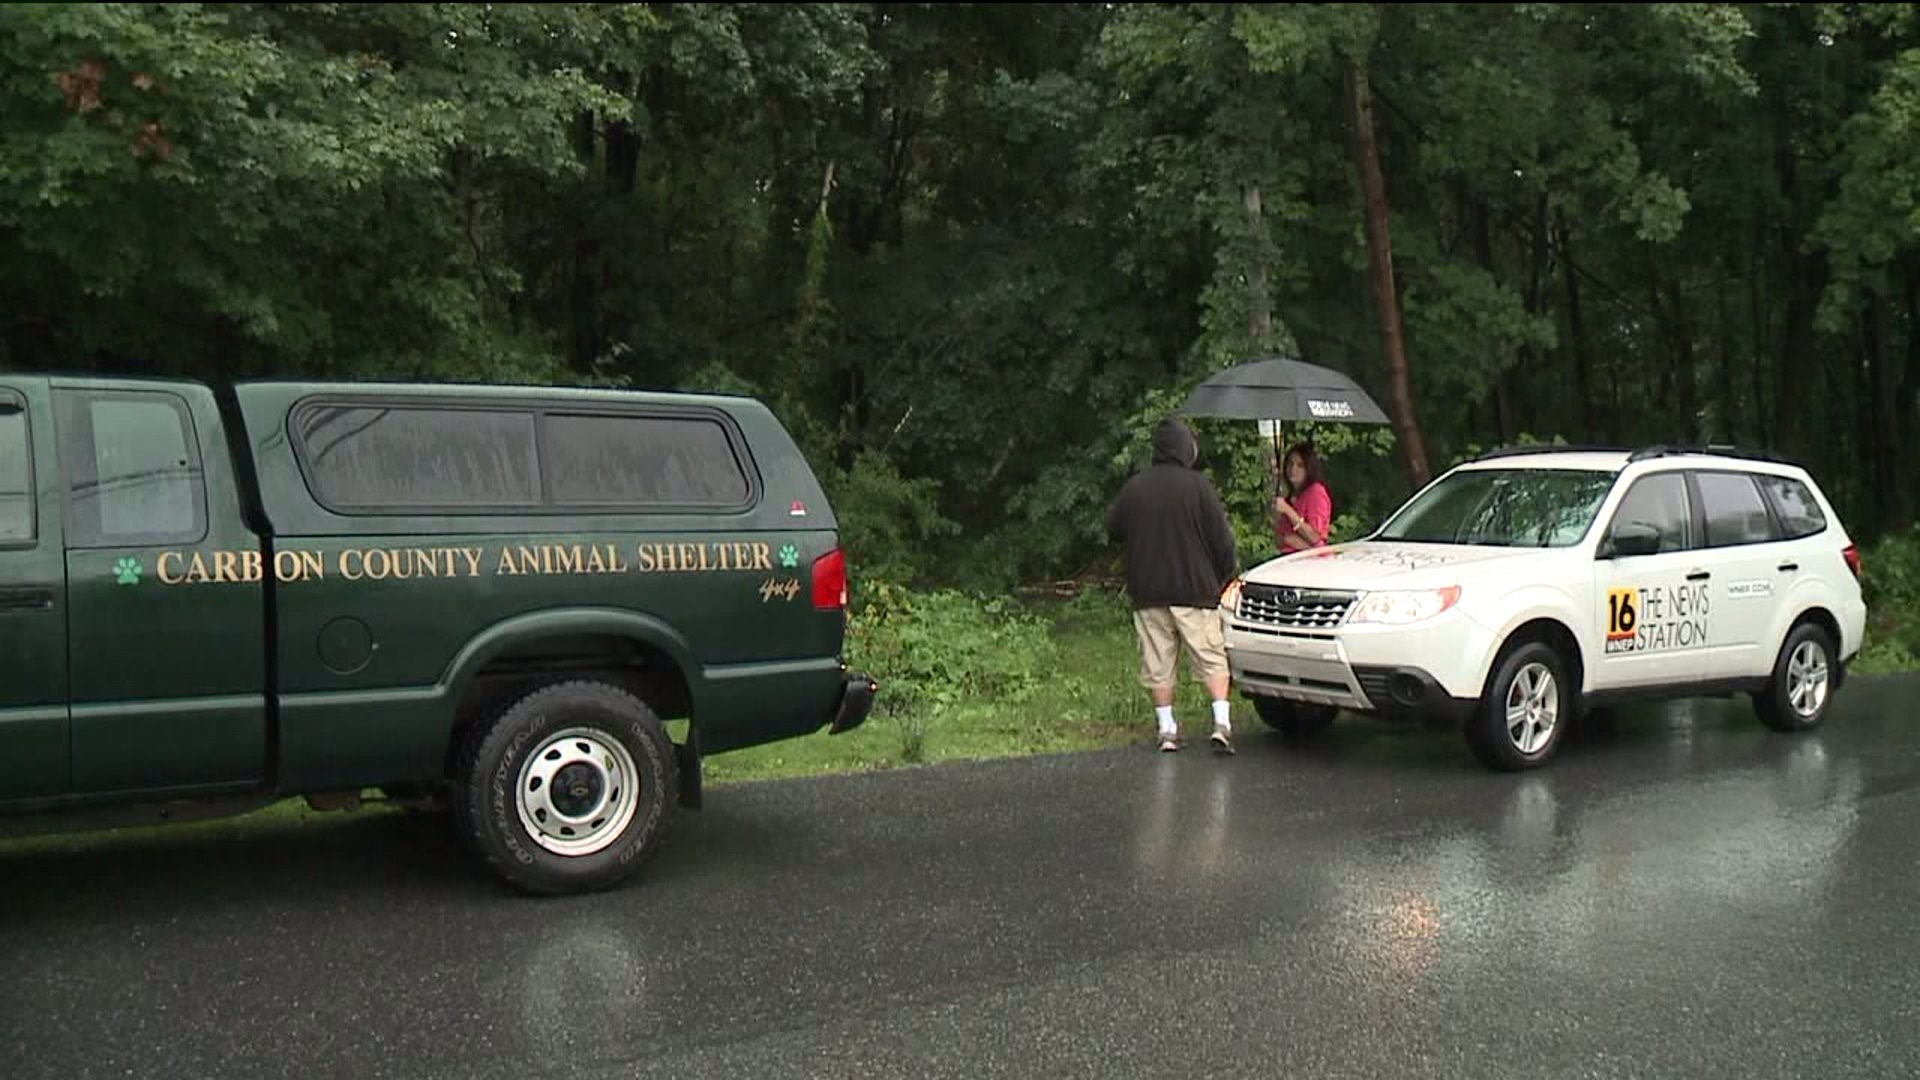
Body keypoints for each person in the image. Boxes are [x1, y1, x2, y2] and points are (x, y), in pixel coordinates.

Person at [1104, 417, 1240, 754]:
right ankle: (1221, 723)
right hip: (1195, 589)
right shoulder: (1199, 486)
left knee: (1158, 661)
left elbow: (1113, 529)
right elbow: (1221, 539)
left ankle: (1167, 729)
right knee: (1210, 656)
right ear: (1184, 449)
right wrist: (1227, 575)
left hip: (1148, 589)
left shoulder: (1135, 487)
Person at [1272, 442, 1333, 554]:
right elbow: (1279, 538)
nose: (1293, 469)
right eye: (1290, 464)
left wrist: (1288, 510)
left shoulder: (1316, 492)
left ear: (1309, 469)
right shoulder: (1291, 496)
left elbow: (1315, 537)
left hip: (1311, 564)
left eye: (1300, 465)